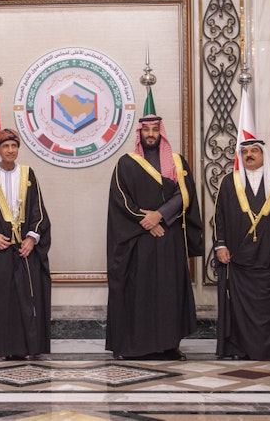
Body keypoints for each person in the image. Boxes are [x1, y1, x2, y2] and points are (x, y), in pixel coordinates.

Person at [106, 110, 202, 361]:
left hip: (169, 238)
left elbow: (185, 194)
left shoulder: (177, 162)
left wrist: (159, 215)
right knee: (139, 292)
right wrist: (146, 222)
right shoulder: (126, 163)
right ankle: (134, 347)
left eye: (155, 130)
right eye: (146, 130)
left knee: (169, 292)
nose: (151, 134)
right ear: (140, 134)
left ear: (161, 133)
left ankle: (169, 345)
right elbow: (120, 199)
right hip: (138, 242)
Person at [212, 139, 270, 360]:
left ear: (263, 154)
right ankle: (240, 349)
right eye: (244, 152)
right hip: (238, 258)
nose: (249, 155)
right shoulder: (229, 182)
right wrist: (220, 245)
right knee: (239, 304)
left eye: (254, 151)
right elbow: (218, 217)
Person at [0, 129, 52, 361]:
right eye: (5, 146)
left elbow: (38, 210)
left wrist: (32, 238)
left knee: (25, 298)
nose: (10, 150)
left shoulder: (28, 174)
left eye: (14, 146)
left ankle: (26, 348)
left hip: (24, 249)